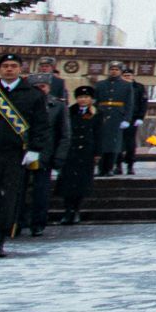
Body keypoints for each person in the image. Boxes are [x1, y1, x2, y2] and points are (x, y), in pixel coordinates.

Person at [0, 54, 52, 258]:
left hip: (15, 154)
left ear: (20, 69)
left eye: (13, 66)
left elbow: (41, 125)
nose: (9, 69)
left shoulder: (33, 94)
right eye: (5, 65)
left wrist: (35, 149)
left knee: (9, 198)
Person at [23, 90, 68, 236]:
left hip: (45, 155)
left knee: (40, 192)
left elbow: (64, 134)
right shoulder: (22, 101)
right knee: (18, 191)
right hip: (21, 153)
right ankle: (18, 221)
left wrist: (59, 156)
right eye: (35, 86)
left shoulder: (57, 105)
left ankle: (38, 223)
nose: (39, 88)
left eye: (43, 85)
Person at [57, 86, 100, 224]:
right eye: (80, 97)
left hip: (86, 152)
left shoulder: (96, 113)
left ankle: (76, 210)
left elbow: (99, 133)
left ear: (91, 99)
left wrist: (97, 152)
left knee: (81, 184)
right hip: (71, 151)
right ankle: (67, 211)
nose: (83, 100)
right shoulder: (69, 111)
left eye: (86, 97)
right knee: (68, 183)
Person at [93, 62, 134, 177]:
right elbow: (95, 101)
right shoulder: (100, 84)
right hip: (102, 115)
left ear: (120, 71)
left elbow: (129, 104)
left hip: (117, 117)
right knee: (102, 143)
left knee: (114, 144)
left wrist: (126, 119)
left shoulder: (126, 85)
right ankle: (101, 168)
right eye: (112, 69)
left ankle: (110, 168)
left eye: (116, 69)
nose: (114, 71)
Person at [118, 67, 147, 175]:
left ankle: (130, 165)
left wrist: (140, 117)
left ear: (133, 76)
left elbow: (143, 103)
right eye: (125, 76)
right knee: (119, 142)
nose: (127, 77)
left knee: (130, 143)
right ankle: (118, 165)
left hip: (133, 118)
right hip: (120, 118)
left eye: (129, 75)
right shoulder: (119, 87)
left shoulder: (139, 87)